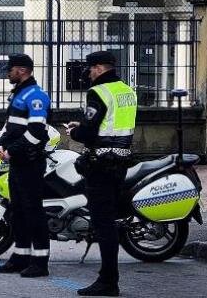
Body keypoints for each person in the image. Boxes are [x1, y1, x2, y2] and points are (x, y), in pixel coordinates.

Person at [67, 51, 136, 297]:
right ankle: (108, 279)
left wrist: (75, 132)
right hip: (121, 162)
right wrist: (85, 127)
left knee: (103, 224)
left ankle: (108, 281)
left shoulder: (98, 91)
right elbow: (113, 125)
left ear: (97, 68)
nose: (88, 73)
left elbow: (89, 132)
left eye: (90, 69)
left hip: (100, 165)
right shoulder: (127, 90)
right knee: (110, 221)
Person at [0, 53, 52, 278]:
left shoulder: (36, 96)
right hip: (18, 162)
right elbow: (11, 128)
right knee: (18, 211)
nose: (8, 72)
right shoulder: (19, 94)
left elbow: (37, 132)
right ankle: (20, 257)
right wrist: (0, 144)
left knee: (33, 211)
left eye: (11, 69)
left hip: (30, 162)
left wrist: (11, 150)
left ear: (22, 70)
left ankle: (40, 262)